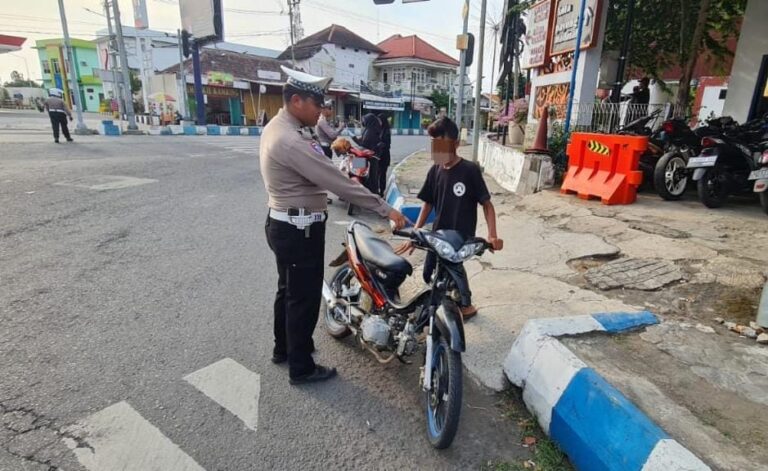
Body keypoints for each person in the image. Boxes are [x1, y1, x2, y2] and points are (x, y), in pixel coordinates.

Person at [260, 66, 408, 385]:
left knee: (287, 290)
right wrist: (384, 209)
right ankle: (301, 367)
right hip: (299, 230)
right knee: (304, 297)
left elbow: (327, 154)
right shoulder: (291, 140)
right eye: (318, 104)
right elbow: (339, 182)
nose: (322, 110)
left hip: (283, 223)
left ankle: (284, 348)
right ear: (297, 100)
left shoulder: (283, 127)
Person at [395, 117, 503, 321]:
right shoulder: (435, 170)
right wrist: (415, 233)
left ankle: (465, 304)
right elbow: (427, 204)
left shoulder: (470, 170)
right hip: (438, 235)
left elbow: (487, 205)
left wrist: (493, 235)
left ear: (456, 143)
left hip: (460, 236)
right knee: (429, 274)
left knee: (452, 268)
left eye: (441, 143)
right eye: (434, 144)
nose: (437, 149)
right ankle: (450, 297)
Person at [353, 113, 383, 195]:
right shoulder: (368, 129)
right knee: (361, 173)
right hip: (365, 155)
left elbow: (363, 144)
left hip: (369, 157)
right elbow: (362, 143)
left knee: (368, 176)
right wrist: (354, 138)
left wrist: (354, 139)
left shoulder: (371, 132)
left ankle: (370, 194)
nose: (363, 122)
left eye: (365, 120)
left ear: (369, 121)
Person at [376, 113, 392, 197]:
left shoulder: (386, 131)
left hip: (384, 156)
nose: (378, 122)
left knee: (382, 174)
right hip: (377, 155)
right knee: (376, 173)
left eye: (379, 120)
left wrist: (379, 145)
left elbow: (387, 144)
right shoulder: (378, 129)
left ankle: (381, 191)